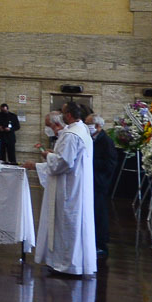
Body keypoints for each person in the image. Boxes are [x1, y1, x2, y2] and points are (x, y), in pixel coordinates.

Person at [24, 101, 97, 277]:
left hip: (68, 189)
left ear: (69, 115)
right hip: (77, 186)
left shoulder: (72, 135)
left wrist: (47, 155)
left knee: (66, 224)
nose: (61, 114)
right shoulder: (82, 130)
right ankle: (69, 262)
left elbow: (63, 163)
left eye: (63, 112)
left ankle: (65, 264)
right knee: (72, 224)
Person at [87, 112, 118, 259]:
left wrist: (89, 161)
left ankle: (101, 245)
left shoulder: (106, 141)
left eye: (89, 125)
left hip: (100, 182)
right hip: (92, 181)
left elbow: (110, 164)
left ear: (98, 126)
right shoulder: (92, 139)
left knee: (99, 213)